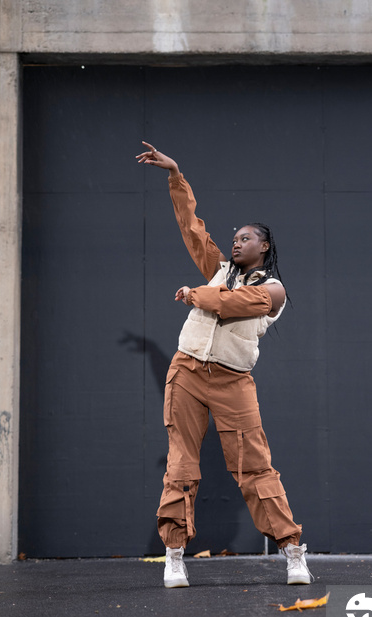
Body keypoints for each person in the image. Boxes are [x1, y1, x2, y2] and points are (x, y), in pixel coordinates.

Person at [136, 142, 313, 588]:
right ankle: (174, 555)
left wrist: (195, 294)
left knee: (255, 467)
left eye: (246, 238)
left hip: (234, 383)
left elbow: (234, 305)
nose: (236, 242)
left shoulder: (274, 291)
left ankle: (293, 552)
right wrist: (176, 175)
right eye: (234, 238)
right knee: (181, 465)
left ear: (264, 245)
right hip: (188, 373)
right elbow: (191, 227)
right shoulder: (217, 268)